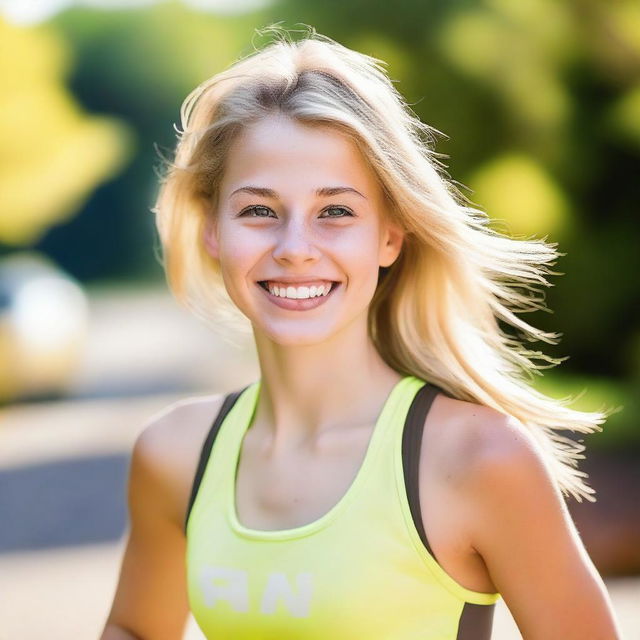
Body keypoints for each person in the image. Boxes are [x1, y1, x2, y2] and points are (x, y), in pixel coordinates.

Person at [100, 24, 622, 640]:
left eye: (336, 212)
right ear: (214, 230)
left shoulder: (479, 457)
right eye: (259, 211)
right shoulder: (175, 453)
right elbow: (134, 629)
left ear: (389, 237)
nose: (295, 249)